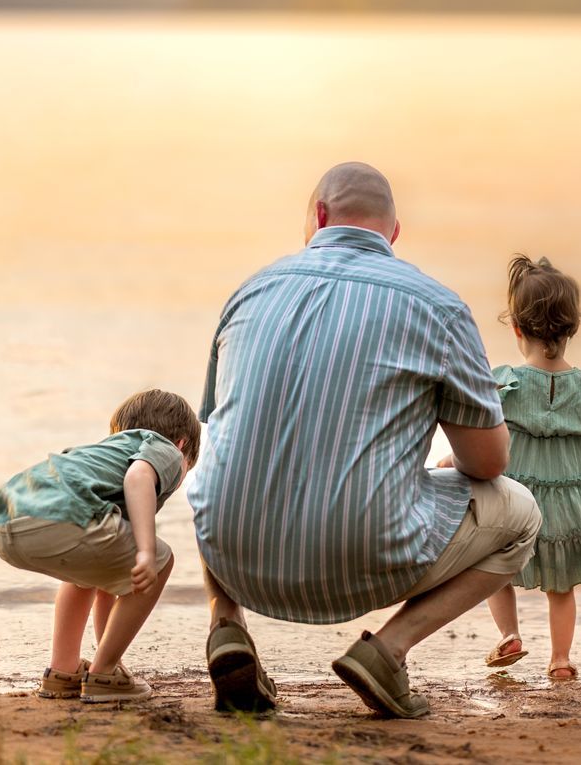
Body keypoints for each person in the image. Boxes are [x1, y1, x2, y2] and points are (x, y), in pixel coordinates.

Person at [187, 162, 543, 718]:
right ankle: (387, 651)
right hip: (363, 560)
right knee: (520, 515)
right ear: (393, 234)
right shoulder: (437, 306)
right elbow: (489, 461)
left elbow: (218, 426)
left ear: (319, 217)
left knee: (226, 465)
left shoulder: (251, 290)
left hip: (234, 555)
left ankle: (226, 622)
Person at [0, 388, 199, 704]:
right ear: (182, 444)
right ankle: (105, 673)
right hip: (65, 516)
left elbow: (107, 586)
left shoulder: (101, 453)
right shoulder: (163, 448)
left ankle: (63, 670)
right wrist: (145, 551)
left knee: (88, 576)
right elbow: (139, 477)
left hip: (6, 519)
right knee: (161, 561)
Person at [472, 255, 581, 680]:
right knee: (561, 586)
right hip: (568, 500)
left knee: (496, 567)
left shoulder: (506, 384)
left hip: (515, 496)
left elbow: (485, 434)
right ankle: (560, 659)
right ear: (572, 327)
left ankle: (510, 634)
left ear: (517, 328)